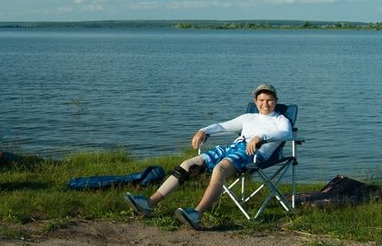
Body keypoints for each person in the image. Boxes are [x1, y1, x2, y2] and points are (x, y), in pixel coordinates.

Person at [124, 84, 292, 230]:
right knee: (189, 164)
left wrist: (260, 137)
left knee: (220, 168)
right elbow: (222, 126)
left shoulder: (280, 120)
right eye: (261, 100)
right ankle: (149, 203)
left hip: (254, 153)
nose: (265, 104)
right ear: (255, 102)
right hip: (233, 148)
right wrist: (203, 130)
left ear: (276, 100)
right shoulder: (248, 117)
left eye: (269, 100)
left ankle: (197, 214)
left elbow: (285, 134)